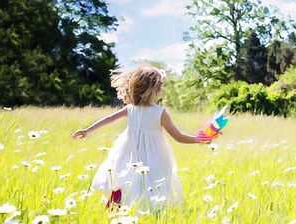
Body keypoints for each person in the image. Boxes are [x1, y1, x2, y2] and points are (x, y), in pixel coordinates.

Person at [71, 64, 214, 209]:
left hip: (129, 150)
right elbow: (178, 136)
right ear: (150, 91)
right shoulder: (159, 112)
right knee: (151, 182)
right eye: (159, 88)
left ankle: (120, 207)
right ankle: (141, 210)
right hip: (152, 154)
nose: (161, 91)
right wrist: (199, 139)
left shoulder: (131, 109)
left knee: (127, 177)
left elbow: (110, 119)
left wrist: (88, 130)